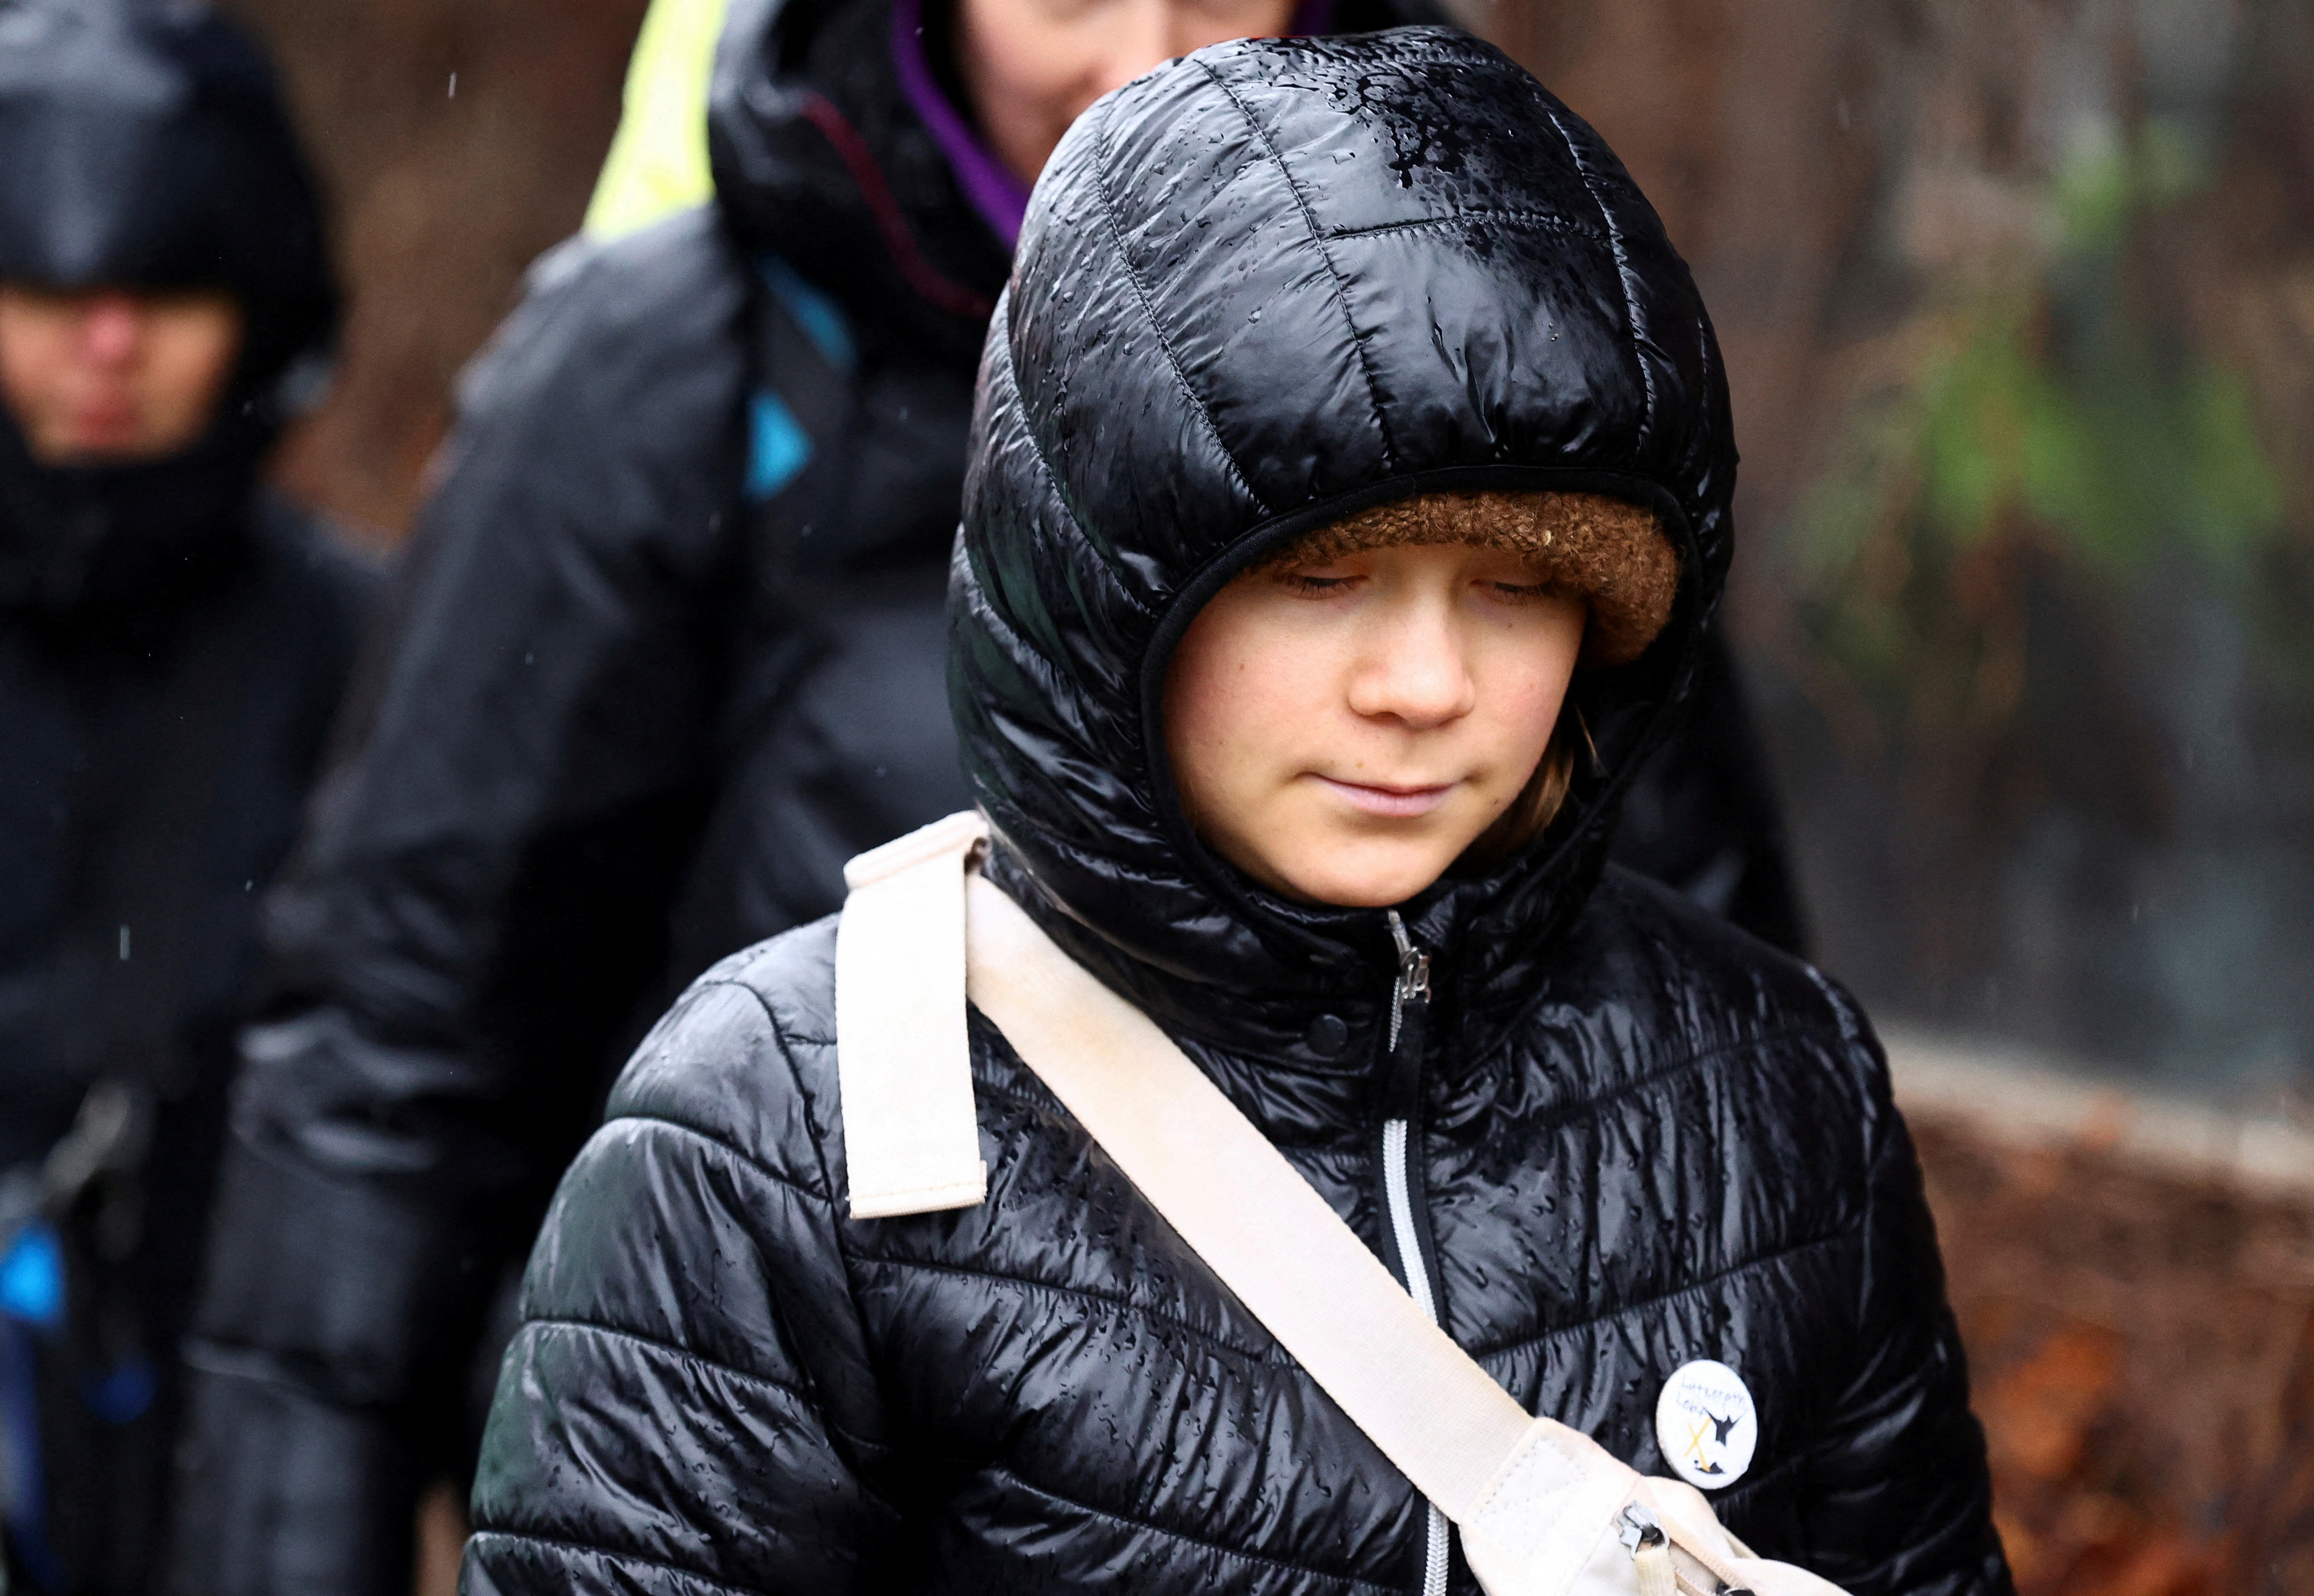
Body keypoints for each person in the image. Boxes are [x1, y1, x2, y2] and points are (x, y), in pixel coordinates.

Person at [462, 28, 2007, 1596]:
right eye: (1322, 577)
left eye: (1517, 585)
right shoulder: (783, 1136)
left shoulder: (1776, 1089)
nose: (1424, 683)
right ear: (1110, 581)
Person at [0, 3, 366, 1592]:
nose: (107, 349)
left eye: (162, 295)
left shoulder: (359, 650)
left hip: (223, 1453)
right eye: (49, 291)